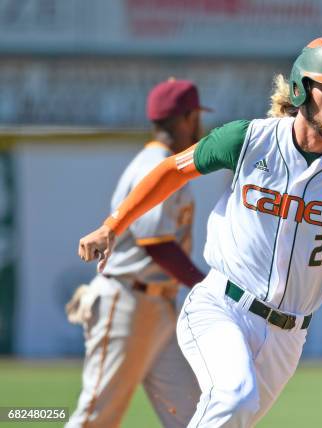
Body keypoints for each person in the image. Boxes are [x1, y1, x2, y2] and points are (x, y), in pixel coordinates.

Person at [78, 37, 322, 427]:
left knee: (229, 417)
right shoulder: (249, 138)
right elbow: (171, 171)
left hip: (288, 337)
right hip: (221, 305)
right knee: (235, 398)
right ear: (301, 87)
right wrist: (112, 226)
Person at [66, 79, 210, 428]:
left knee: (196, 415)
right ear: (188, 117)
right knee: (95, 418)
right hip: (127, 300)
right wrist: (205, 285)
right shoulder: (155, 164)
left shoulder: (164, 163)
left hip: (158, 307)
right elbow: (155, 241)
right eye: (197, 117)